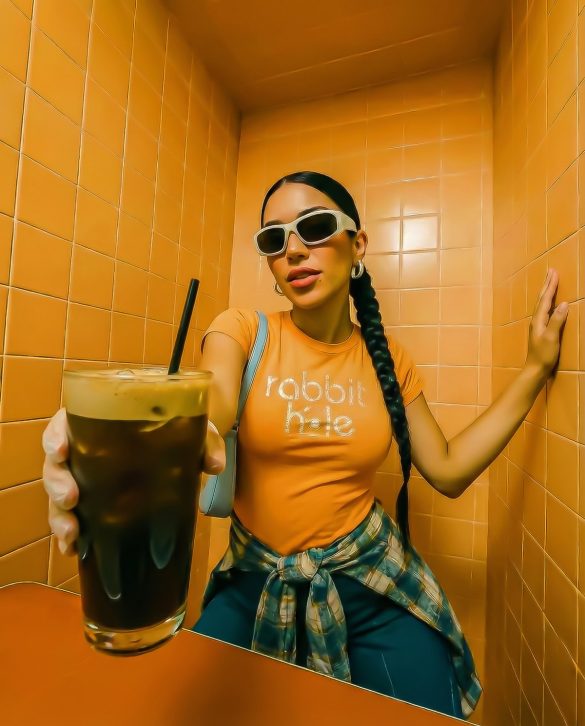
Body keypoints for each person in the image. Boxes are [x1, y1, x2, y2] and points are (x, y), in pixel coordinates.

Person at [43, 171, 568, 719]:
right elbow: (207, 409)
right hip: (255, 581)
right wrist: (120, 436)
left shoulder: (389, 360)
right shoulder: (241, 331)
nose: (293, 249)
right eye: (274, 239)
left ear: (358, 244)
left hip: (372, 582)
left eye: (313, 227)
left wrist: (534, 369)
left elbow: (450, 469)